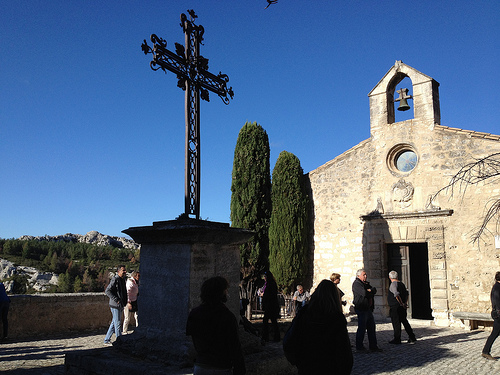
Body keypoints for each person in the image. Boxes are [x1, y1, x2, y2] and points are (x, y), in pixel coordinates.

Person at [283, 280, 353, 374]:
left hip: (307, 367)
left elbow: (290, 341)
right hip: (329, 369)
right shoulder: (336, 319)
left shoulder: (304, 314)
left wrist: (299, 362)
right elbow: (344, 352)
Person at [186, 276, 246, 375]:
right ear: (220, 292)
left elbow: (195, 340)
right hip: (221, 367)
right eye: (225, 290)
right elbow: (235, 346)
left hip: (201, 365)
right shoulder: (227, 316)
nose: (227, 292)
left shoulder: (194, 314)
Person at [352, 269, 382, 352]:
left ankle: (373, 346)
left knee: (371, 327)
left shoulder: (365, 284)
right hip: (361, 308)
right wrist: (369, 291)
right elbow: (364, 293)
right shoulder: (357, 284)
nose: (365, 276)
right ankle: (359, 347)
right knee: (362, 328)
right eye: (364, 275)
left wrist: (370, 291)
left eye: (366, 275)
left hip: (367, 308)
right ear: (358, 276)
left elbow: (373, 290)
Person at [387, 271, 416, 344]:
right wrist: (405, 303)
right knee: (404, 321)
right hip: (401, 307)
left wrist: (401, 303)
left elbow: (396, 294)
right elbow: (406, 294)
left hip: (395, 307)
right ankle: (412, 336)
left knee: (396, 323)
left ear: (390, 277)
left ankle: (397, 338)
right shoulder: (402, 284)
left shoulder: (393, 284)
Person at [104, 265, 127, 345]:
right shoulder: (115, 279)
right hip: (115, 305)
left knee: (114, 322)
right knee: (117, 324)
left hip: (120, 304)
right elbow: (107, 291)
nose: (125, 272)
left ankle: (106, 340)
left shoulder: (123, 279)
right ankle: (119, 341)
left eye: (125, 270)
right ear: (118, 271)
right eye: (123, 270)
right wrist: (116, 299)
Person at [482, 271, 500, 360]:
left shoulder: (497, 287)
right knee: (494, 334)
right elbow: (497, 302)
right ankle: (485, 351)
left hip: (498, 314)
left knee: (495, 334)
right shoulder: (497, 288)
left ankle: (485, 351)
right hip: (499, 315)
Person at [260, 270, 281, 344]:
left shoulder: (270, 284)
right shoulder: (269, 284)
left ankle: (266, 337)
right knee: (273, 321)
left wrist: (264, 296)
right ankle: (275, 337)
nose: (264, 278)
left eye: (265, 277)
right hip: (271, 305)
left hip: (271, 305)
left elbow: (269, 295)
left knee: (267, 321)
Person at [123, 270, 140, 334]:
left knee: (137, 316)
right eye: (138, 276)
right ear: (135, 276)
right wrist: (128, 302)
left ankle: (138, 328)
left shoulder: (136, 282)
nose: (139, 277)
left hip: (135, 300)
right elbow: (127, 292)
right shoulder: (130, 282)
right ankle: (124, 331)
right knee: (127, 317)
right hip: (129, 301)